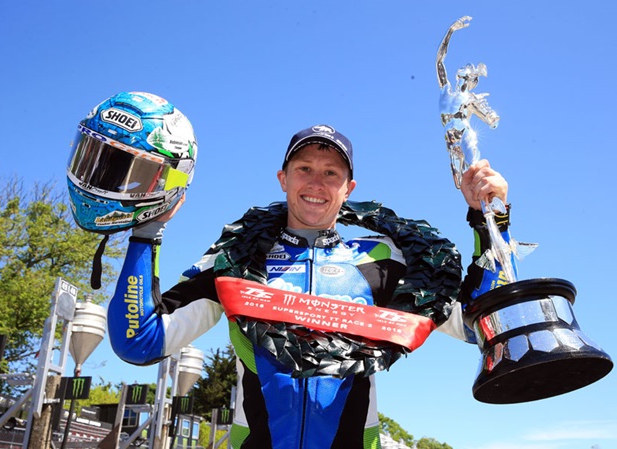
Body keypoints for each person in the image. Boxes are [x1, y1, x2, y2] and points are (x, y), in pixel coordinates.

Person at [106, 123, 513, 449]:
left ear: (349, 189)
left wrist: (489, 219)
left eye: (331, 173)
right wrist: (147, 231)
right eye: (304, 169)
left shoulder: (385, 258)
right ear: (283, 179)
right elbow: (139, 340)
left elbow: (488, 325)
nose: (317, 182)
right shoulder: (235, 257)